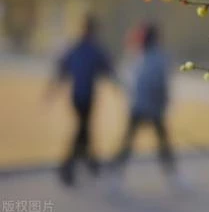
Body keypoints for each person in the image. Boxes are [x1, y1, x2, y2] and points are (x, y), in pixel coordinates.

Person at [111, 23, 184, 189]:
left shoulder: (138, 55)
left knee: (135, 142)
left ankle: (115, 174)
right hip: (149, 107)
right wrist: (164, 102)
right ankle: (173, 176)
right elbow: (160, 84)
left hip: (140, 106)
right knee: (157, 143)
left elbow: (130, 81)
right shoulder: (157, 56)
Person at [47, 15, 114, 187]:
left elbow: (62, 69)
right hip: (83, 97)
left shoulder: (78, 47)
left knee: (85, 129)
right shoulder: (91, 48)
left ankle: (91, 163)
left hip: (80, 96)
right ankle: (68, 167)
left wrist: (52, 90)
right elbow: (108, 69)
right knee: (81, 131)